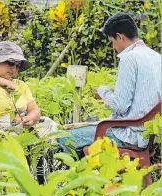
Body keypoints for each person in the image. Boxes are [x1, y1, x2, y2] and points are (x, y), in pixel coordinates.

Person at [58, 12, 161, 153]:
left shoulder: (128, 59)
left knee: (65, 137)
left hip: (129, 135)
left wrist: (102, 91)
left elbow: (120, 106)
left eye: (112, 41)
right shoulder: (156, 57)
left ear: (120, 36)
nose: (113, 47)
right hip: (150, 136)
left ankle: (80, 174)